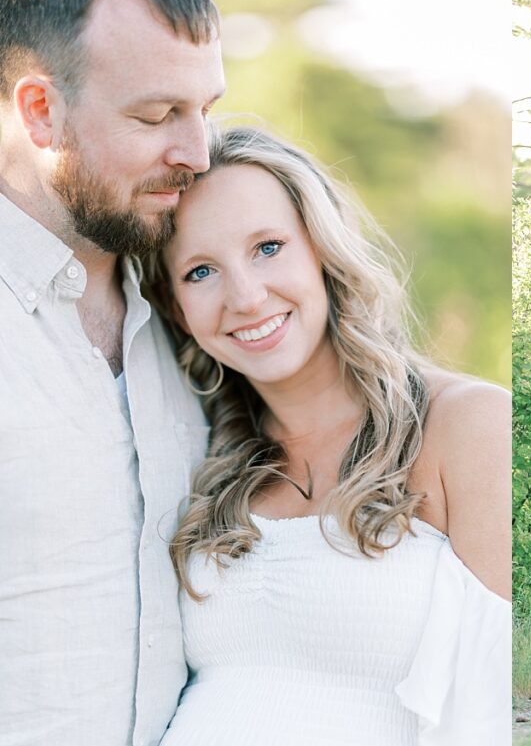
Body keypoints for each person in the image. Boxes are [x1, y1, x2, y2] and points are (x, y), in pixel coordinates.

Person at [145, 125, 512, 746]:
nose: (246, 296)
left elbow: (499, 705)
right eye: (201, 271)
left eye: (267, 247)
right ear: (176, 306)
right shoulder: (204, 452)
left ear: (322, 246)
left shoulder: (469, 427)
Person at [0, 0, 224, 744]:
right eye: (158, 115)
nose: (197, 154)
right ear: (41, 112)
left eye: (206, 110)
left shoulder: (206, 315)